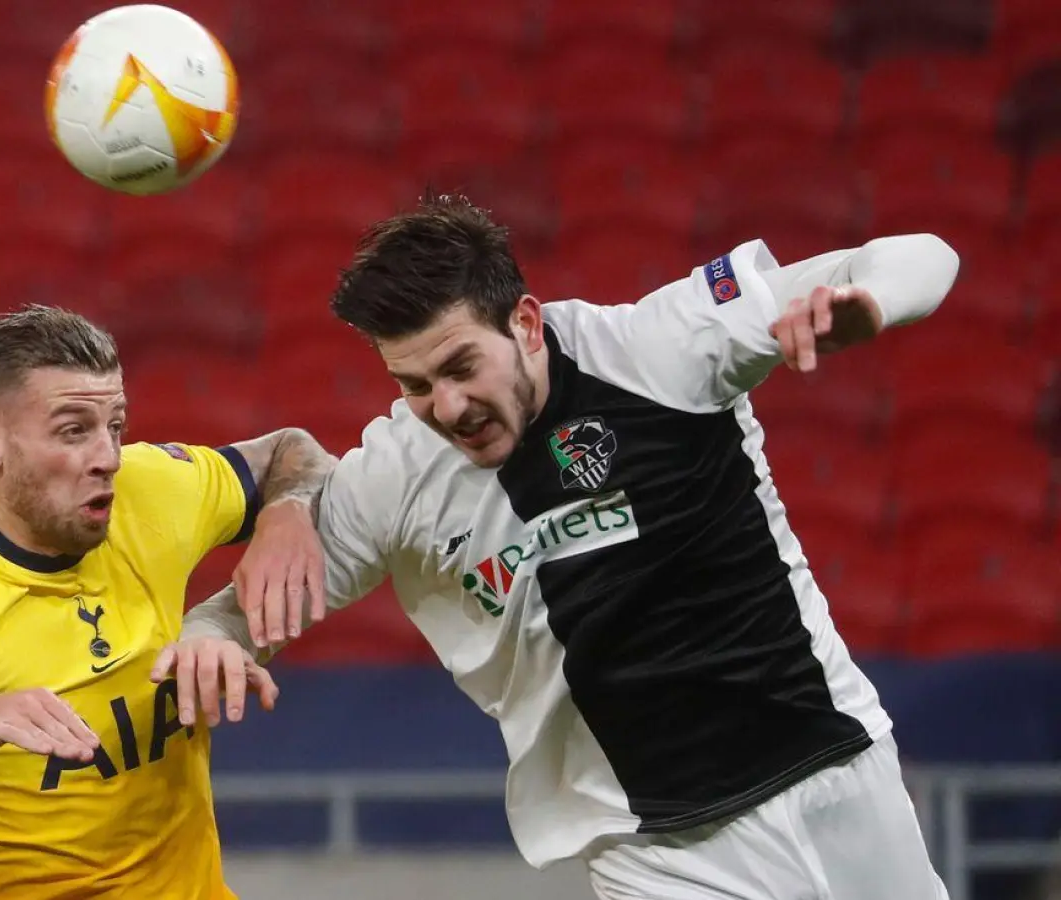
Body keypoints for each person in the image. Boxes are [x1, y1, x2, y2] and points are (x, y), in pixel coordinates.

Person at [165, 193, 961, 899]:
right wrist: (210, 636)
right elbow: (243, 610)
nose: (445, 405)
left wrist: (868, 303)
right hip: (660, 853)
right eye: (413, 384)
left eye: (460, 366)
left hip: (842, 777)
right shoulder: (396, 475)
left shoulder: (662, 346)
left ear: (526, 322)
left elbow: (924, 254)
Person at [0, 305, 333, 899]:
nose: (108, 457)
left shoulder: (150, 491)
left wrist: (285, 512)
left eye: (116, 425)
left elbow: (291, 450)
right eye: (74, 430)